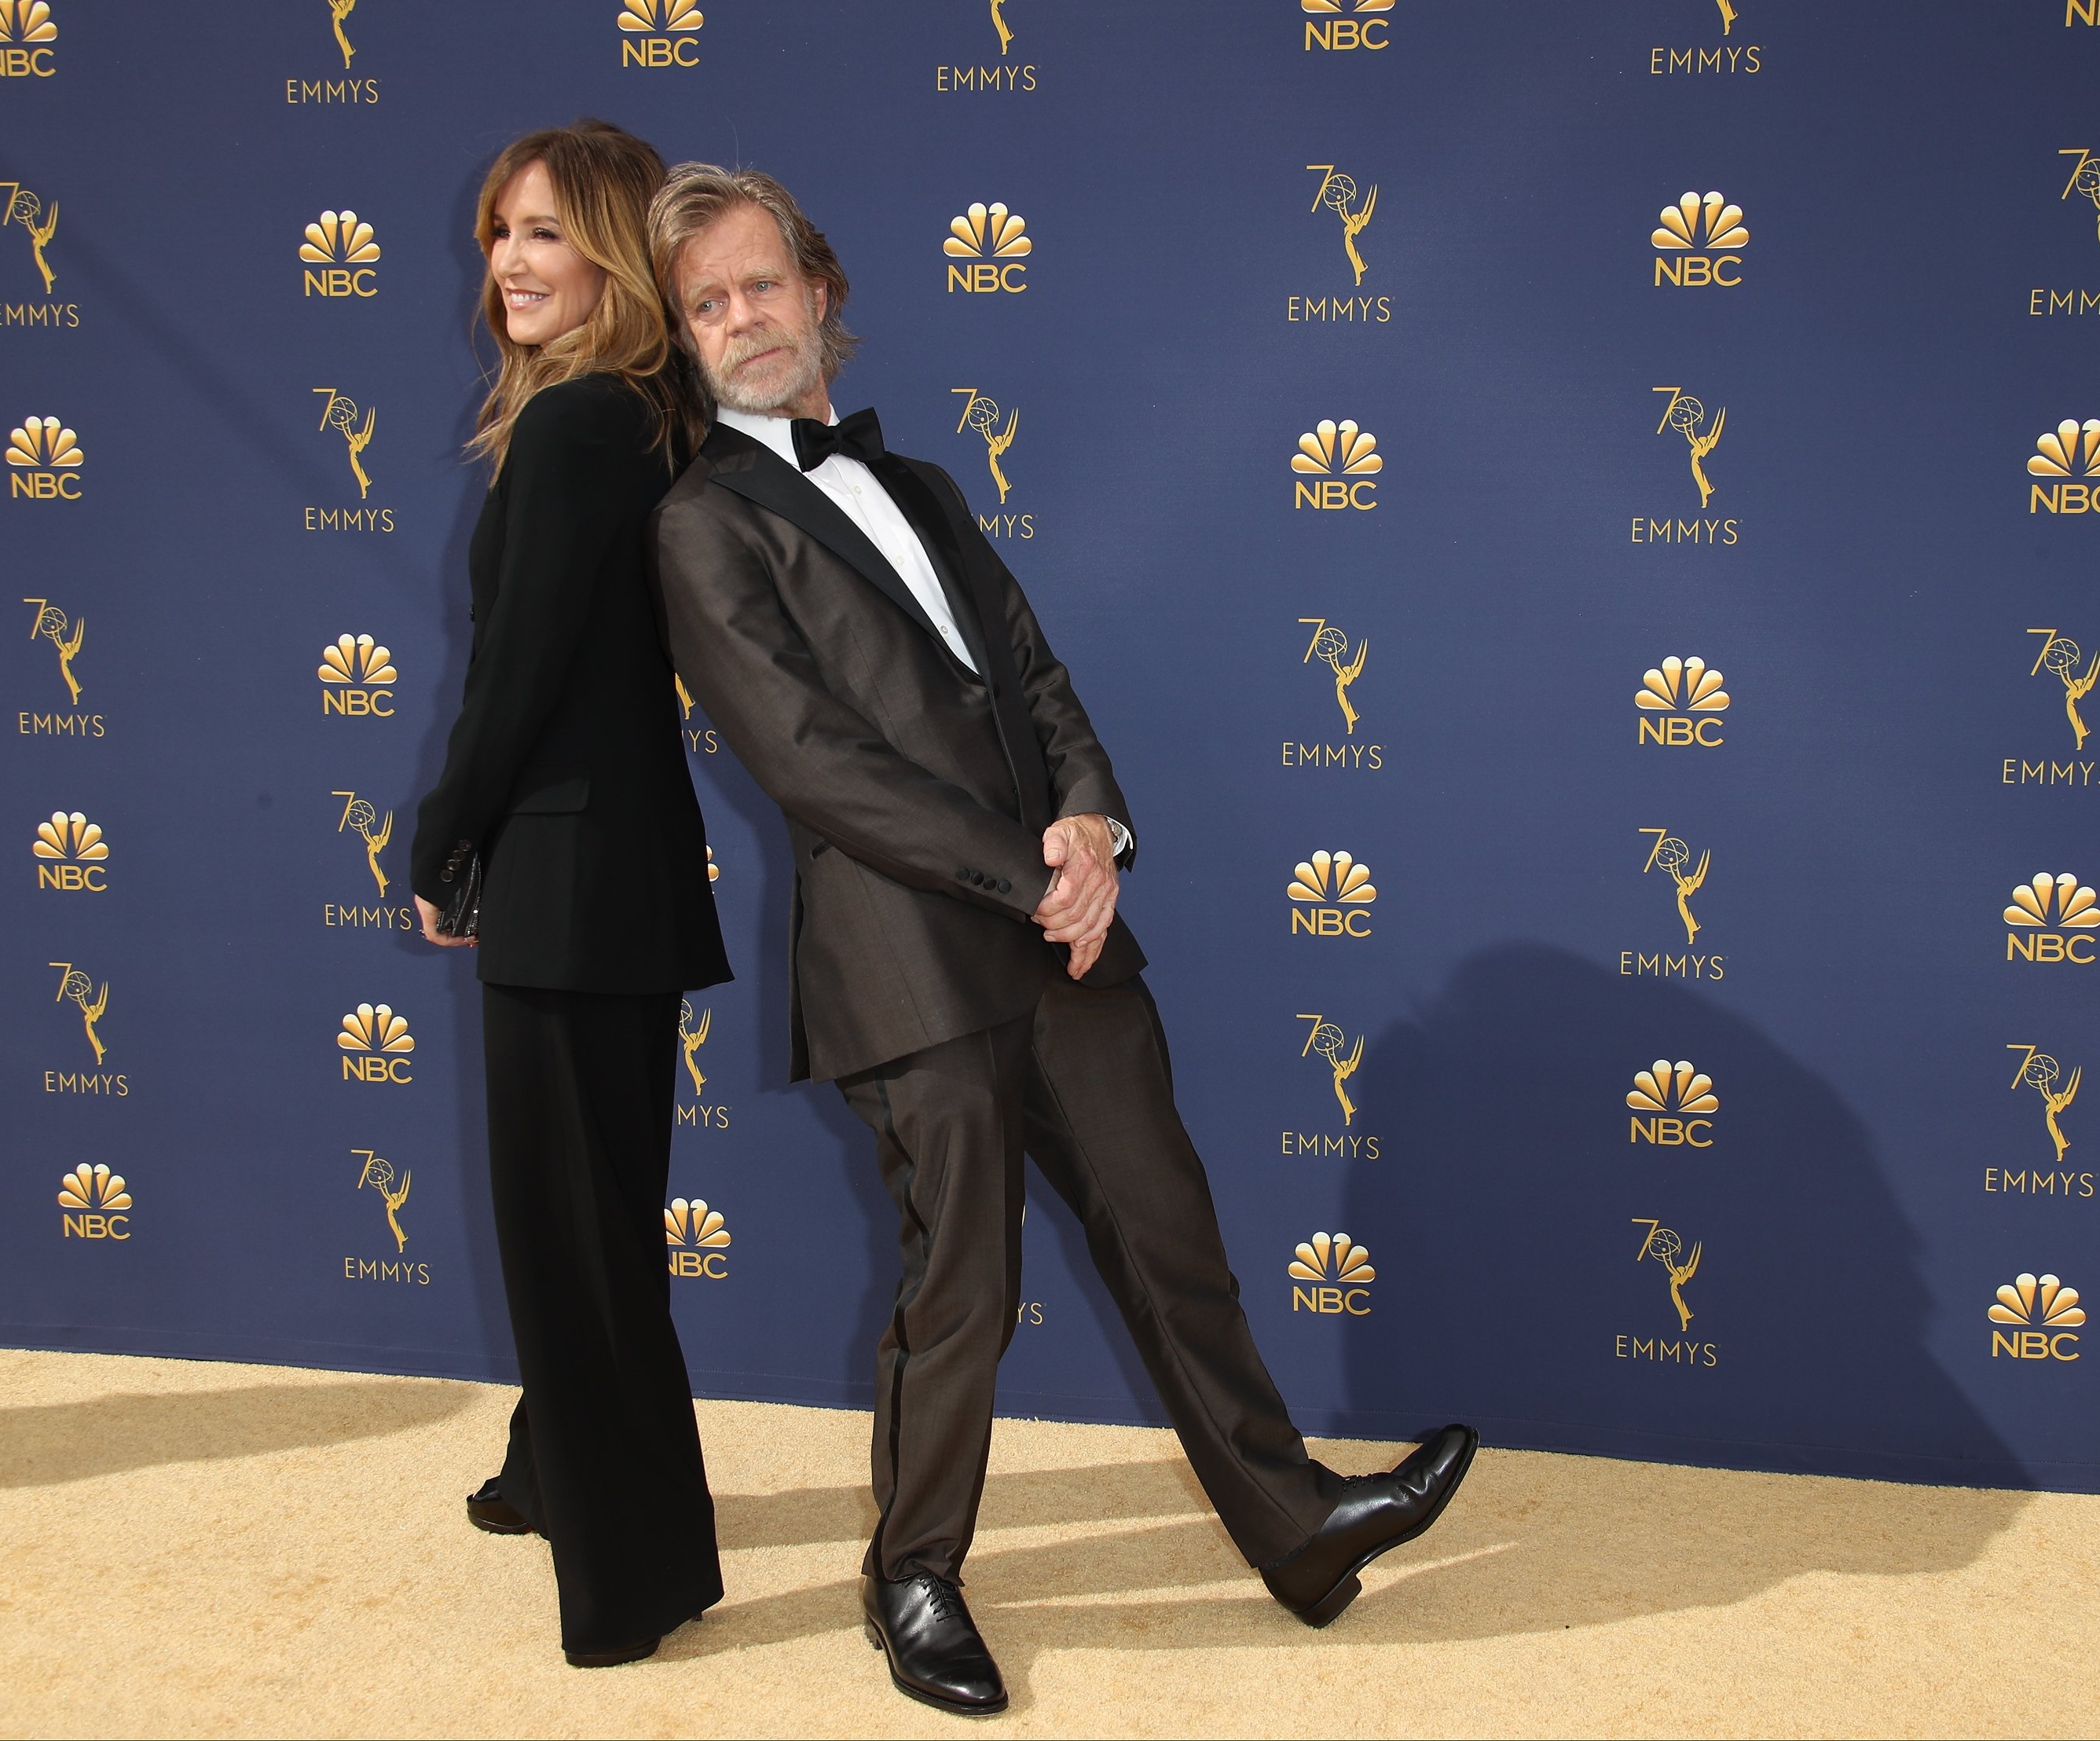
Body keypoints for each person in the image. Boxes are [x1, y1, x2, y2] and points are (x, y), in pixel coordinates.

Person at [646, 165, 1478, 1718]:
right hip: (906, 957)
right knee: (957, 1282)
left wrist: (1092, 829)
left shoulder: (932, 487)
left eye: (762, 285)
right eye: (708, 305)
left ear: (821, 290)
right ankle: (914, 1578)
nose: (743, 319)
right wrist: (1026, 877)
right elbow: (811, 759)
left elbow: (1031, 676)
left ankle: (1295, 1527)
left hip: (1068, 932)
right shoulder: (700, 524)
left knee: (1171, 1233)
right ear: (686, 341)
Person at [409, 120, 730, 1669]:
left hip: (564, 871)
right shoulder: (656, 416)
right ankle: (561, 1469)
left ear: (611, 253)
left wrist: (443, 834)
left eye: (543, 234)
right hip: (630, 873)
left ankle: (640, 1570)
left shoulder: (575, 427)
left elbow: (520, 668)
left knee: (572, 1231)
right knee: (598, 1213)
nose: (509, 266)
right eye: (496, 235)